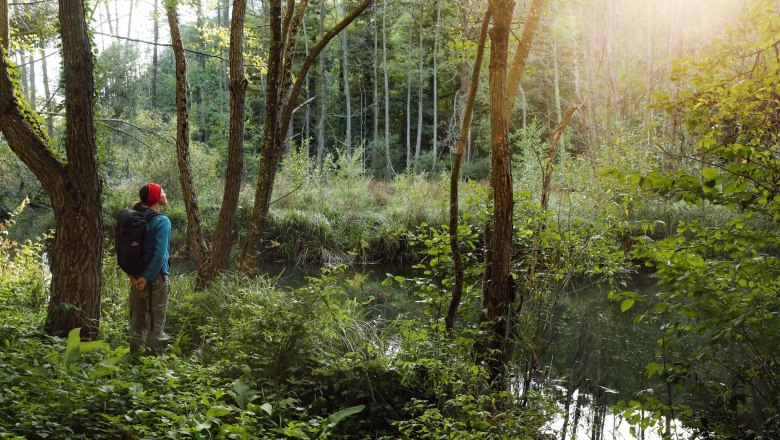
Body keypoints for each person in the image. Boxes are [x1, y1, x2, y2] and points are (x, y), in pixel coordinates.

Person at [129, 182, 172, 356]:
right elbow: (160, 255)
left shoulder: (136, 218)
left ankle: (134, 360)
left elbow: (128, 250)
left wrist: (133, 275)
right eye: (162, 190)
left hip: (135, 277)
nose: (165, 192)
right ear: (156, 197)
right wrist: (147, 277)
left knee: (137, 322)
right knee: (155, 323)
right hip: (154, 280)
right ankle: (153, 367)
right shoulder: (162, 221)